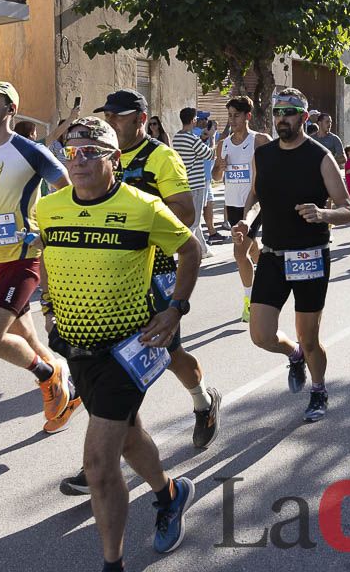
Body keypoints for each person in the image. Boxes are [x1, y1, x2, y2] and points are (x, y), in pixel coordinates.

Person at [36, 116, 201, 569]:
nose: (80, 161)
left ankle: (113, 564)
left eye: (91, 152)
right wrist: (49, 307)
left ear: (114, 159)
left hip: (129, 348)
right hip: (76, 347)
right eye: (72, 152)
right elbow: (45, 255)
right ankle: (171, 494)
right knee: (127, 438)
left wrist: (175, 309)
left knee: (98, 462)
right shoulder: (50, 208)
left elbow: (191, 250)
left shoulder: (143, 207)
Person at [0, 81, 80, 434]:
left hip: (23, 258)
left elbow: (66, 190)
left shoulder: (30, 150)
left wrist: (48, 231)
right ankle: (70, 392)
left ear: (10, 109)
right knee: (31, 341)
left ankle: (47, 376)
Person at [97, 90, 220, 446]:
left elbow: (184, 212)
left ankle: (203, 401)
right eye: (107, 116)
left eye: (117, 116)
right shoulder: (104, 156)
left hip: (156, 270)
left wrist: (136, 226)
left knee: (168, 354)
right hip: (112, 272)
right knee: (115, 363)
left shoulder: (160, 156)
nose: (110, 123)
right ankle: (104, 454)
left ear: (140, 118)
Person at [232, 88, 350, 423]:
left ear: (303, 116)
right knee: (260, 334)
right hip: (272, 255)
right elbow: (256, 192)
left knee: (310, 336)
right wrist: (245, 218)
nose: (281, 118)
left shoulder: (319, 157)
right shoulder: (264, 155)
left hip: (310, 257)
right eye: (277, 112)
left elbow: (349, 210)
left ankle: (318, 390)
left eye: (288, 112)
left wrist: (323, 214)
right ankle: (293, 354)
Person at [213, 96, 270, 322]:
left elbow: (273, 170)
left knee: (239, 253)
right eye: (229, 115)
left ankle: (250, 302)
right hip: (232, 205)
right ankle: (270, 273)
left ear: (247, 116)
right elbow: (216, 178)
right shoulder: (222, 143)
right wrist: (220, 167)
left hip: (255, 205)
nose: (232, 120)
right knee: (252, 246)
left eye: (236, 115)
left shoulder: (260, 141)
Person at [171, 107, 215, 258]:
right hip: (196, 184)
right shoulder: (192, 139)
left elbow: (192, 150)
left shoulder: (177, 137)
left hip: (184, 183)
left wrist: (201, 139)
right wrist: (212, 138)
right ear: (193, 120)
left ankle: (203, 250)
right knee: (194, 222)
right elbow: (210, 155)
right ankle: (187, 250)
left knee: (194, 219)